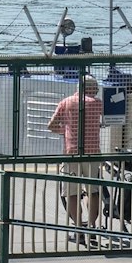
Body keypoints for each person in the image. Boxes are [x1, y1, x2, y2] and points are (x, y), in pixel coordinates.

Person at [46, 76, 104, 230]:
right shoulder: (97, 103)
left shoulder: (65, 102)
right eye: (96, 88)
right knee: (93, 191)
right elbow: (109, 119)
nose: (97, 91)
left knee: (71, 193)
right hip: (92, 152)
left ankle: (78, 228)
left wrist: (65, 132)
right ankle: (92, 227)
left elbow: (51, 125)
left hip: (71, 152)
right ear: (91, 88)